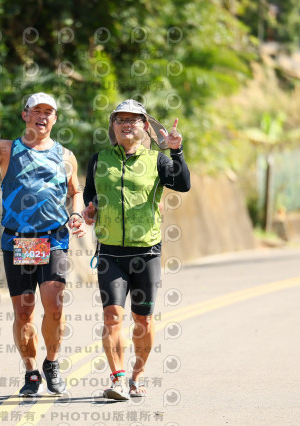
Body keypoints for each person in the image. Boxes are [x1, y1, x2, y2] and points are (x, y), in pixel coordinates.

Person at [0, 93, 86, 396]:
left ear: (55, 118)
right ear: (24, 115)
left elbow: (76, 191)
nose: (42, 116)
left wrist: (77, 213)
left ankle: (51, 363)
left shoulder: (66, 156)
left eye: (48, 112)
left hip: (53, 238)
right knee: (24, 312)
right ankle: (31, 372)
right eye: (36, 111)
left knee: (54, 306)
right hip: (18, 239)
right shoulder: (7, 149)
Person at [82, 99, 190, 400]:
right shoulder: (99, 160)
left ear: (145, 126)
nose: (127, 124)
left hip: (146, 253)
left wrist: (176, 151)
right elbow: (91, 195)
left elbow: (183, 184)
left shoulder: (157, 160)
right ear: (113, 126)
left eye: (134, 119)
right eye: (121, 120)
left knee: (143, 320)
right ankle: (117, 378)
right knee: (112, 317)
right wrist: (89, 211)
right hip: (110, 253)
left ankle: (137, 375)